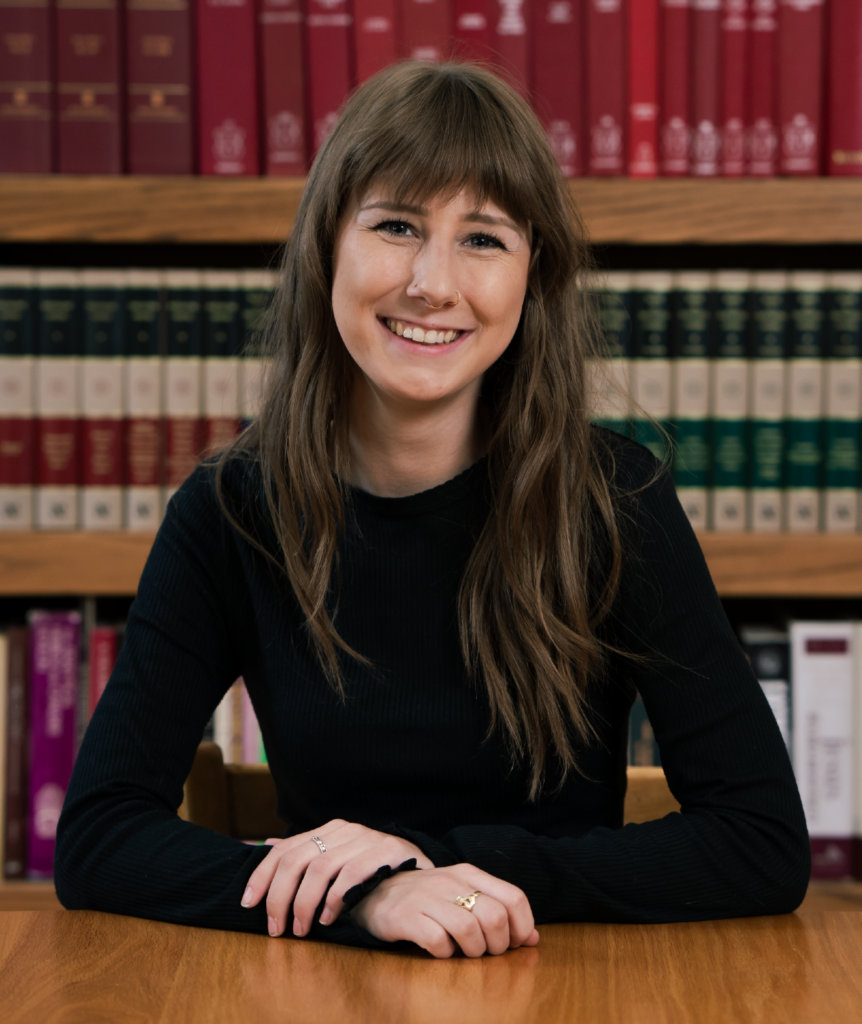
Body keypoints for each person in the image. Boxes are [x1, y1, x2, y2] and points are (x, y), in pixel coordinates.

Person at [55, 62, 809, 959]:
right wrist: (361, 898)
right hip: (318, 993)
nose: (431, 282)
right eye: (396, 226)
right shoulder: (231, 510)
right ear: (327, 245)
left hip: (563, 986)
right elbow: (98, 837)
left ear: (534, 278)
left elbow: (761, 840)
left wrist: (438, 871)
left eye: (483, 239)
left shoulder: (614, 500)